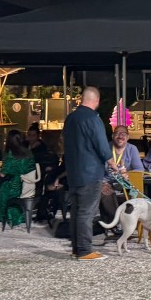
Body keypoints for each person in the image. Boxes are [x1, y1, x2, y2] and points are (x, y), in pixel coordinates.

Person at [64, 87, 113, 261]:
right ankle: (85, 250)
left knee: (76, 211)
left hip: (73, 172)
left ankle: (76, 249)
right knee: (86, 212)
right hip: (90, 172)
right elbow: (101, 144)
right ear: (96, 100)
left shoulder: (70, 118)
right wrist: (112, 162)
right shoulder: (93, 118)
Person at [96, 125, 145, 234]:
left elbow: (139, 169)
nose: (120, 136)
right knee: (106, 193)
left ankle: (129, 222)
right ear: (112, 136)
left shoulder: (132, 149)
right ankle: (118, 222)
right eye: (117, 133)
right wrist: (102, 183)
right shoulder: (106, 148)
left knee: (136, 194)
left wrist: (128, 174)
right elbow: (96, 169)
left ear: (128, 137)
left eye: (123, 134)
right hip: (107, 182)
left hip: (125, 183)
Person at [0, 129, 41, 228]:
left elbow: (3, 174)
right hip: (28, 185)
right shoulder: (28, 152)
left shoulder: (9, 155)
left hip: (14, 185)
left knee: (3, 188)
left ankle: (7, 216)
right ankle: (20, 215)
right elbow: (31, 168)